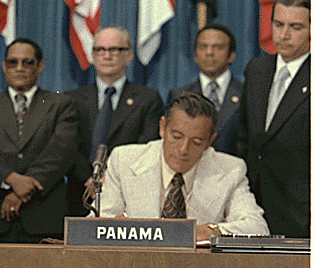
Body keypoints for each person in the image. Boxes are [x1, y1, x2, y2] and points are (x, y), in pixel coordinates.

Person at [100, 92, 269, 242]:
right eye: (176, 136)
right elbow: (97, 222)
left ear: (209, 142)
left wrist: (212, 230)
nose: (183, 149)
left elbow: (257, 228)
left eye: (196, 142)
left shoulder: (231, 170)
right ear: (162, 128)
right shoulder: (124, 160)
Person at [0, 38, 78, 243]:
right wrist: (11, 179)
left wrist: (21, 192)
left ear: (40, 66)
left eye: (27, 63)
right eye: (13, 62)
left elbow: (60, 153)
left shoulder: (60, 104)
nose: (19, 68)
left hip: (44, 214)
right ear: (4, 67)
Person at [65, 26, 163, 216]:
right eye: (100, 50)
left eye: (114, 49)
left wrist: (106, 178)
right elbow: (69, 147)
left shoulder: (147, 99)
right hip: (79, 193)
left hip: (126, 194)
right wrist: (91, 178)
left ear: (129, 56)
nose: (106, 56)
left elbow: (146, 147)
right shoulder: (72, 99)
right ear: (92, 55)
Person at [238, 0, 310, 238]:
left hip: (301, 213)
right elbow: (243, 135)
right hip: (251, 208)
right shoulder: (257, 68)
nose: (283, 35)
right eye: (278, 24)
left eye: (296, 27)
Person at [168, 23, 242, 155]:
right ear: (195, 55)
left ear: (231, 55)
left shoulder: (246, 94)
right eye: (203, 47)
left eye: (217, 47)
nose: (209, 53)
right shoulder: (179, 95)